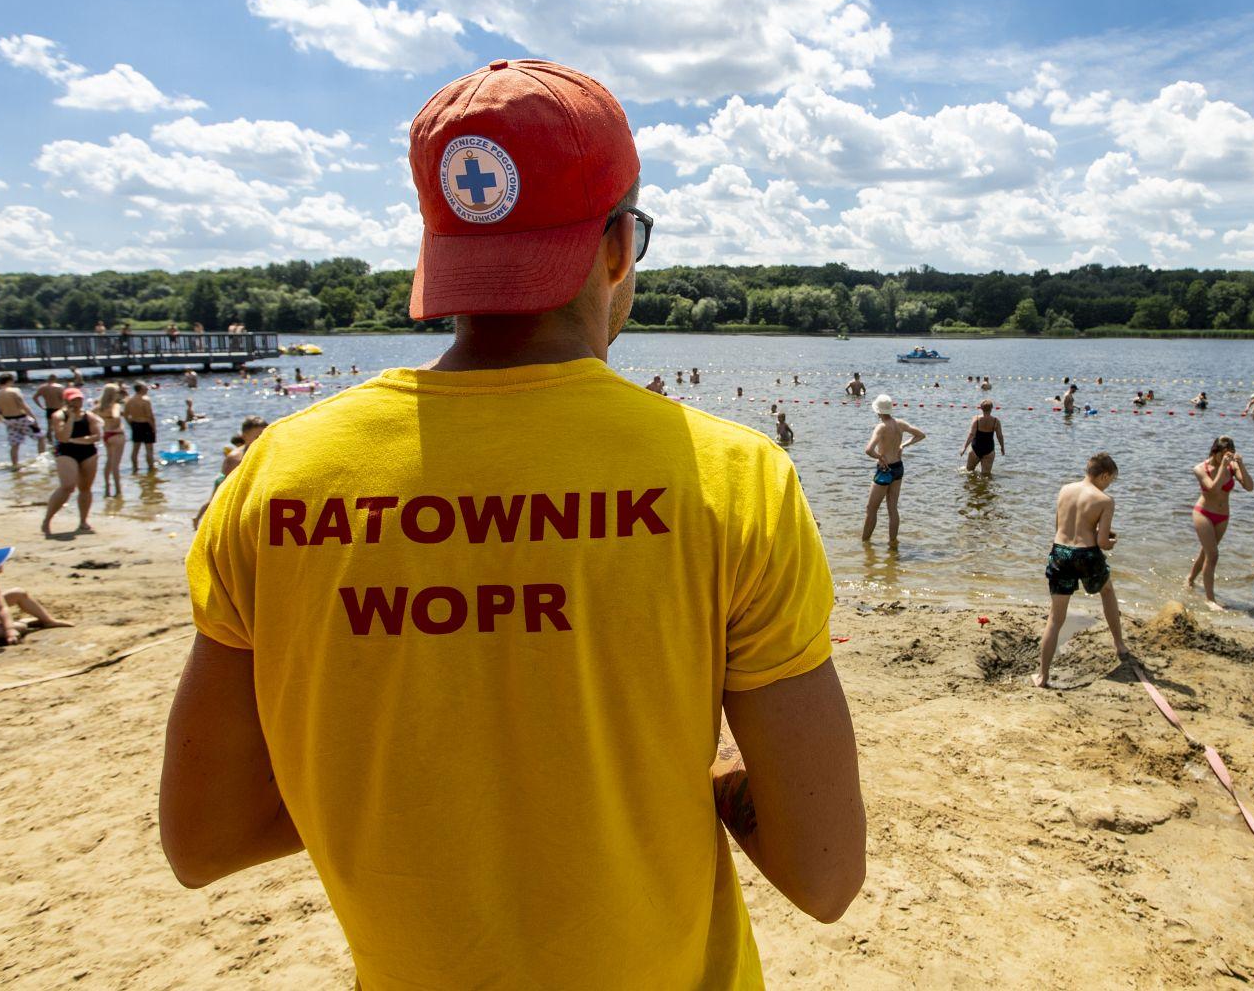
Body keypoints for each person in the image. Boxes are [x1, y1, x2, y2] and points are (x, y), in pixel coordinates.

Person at [162, 59, 864, 990]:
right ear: (617, 249)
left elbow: (203, 838)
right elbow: (825, 875)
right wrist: (680, 774)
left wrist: (407, 776)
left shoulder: (279, 476)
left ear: (440, 254)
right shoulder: (732, 480)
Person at [1035, 453, 1127, 688]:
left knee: (1055, 619)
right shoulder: (1105, 500)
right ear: (1104, 475)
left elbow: (1059, 527)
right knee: (1107, 592)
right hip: (1086, 554)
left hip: (1060, 552)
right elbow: (1103, 542)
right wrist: (1111, 541)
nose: (1109, 485)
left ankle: (1042, 676)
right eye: (1110, 480)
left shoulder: (1065, 489)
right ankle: (1119, 645)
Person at [1187, 436, 1254, 611]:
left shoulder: (1232, 467)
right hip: (1203, 513)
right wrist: (1223, 467)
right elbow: (1213, 488)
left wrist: (1241, 465)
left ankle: (1189, 580)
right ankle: (1210, 599)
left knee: (1206, 553)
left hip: (1223, 516)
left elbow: (1249, 486)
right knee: (1213, 554)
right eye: (1224, 455)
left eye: (1230, 455)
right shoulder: (1200, 468)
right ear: (1215, 452)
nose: (1227, 458)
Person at [861, 393, 924, 544]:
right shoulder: (900, 424)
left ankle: (864, 543)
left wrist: (879, 457)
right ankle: (892, 544)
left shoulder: (881, 427)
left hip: (885, 470)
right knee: (893, 509)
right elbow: (921, 435)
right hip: (898, 468)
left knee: (871, 509)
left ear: (878, 411)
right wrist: (903, 445)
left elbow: (868, 450)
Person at [43, 388, 101, 534]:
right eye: (74, 400)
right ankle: (47, 520)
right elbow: (62, 437)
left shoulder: (89, 416)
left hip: (88, 452)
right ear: (66, 401)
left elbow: (96, 436)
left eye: (79, 399)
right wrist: (70, 418)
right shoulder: (59, 416)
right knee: (68, 486)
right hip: (66, 452)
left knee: (85, 488)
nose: (77, 403)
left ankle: (83, 521)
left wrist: (77, 440)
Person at [0, 373, 45, 466]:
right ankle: (42, 459)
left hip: (9, 420)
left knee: (14, 444)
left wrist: (3, 421)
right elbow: (24, 406)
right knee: (41, 437)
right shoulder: (15, 391)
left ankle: (15, 465)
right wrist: (34, 418)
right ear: (10, 381)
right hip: (21, 418)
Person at [97, 383, 128, 497]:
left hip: (106, 435)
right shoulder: (115, 406)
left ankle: (107, 487)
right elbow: (115, 416)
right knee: (116, 465)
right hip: (117, 434)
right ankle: (118, 490)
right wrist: (119, 416)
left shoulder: (99, 406)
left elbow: (90, 414)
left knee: (108, 462)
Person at [961, 399, 1002, 475]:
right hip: (989, 450)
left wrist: (964, 447)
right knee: (986, 475)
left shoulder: (976, 419)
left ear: (981, 408)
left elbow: (971, 434)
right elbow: (999, 436)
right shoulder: (996, 421)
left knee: (969, 472)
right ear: (991, 408)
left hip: (975, 448)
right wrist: (1002, 448)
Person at [125, 382, 158, 474]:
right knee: (149, 449)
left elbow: (126, 414)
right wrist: (154, 428)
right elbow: (149, 416)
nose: (147, 388)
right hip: (146, 424)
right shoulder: (145, 400)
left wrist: (130, 424)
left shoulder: (129, 400)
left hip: (135, 424)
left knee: (135, 448)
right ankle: (151, 468)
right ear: (140, 389)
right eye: (145, 387)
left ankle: (135, 468)